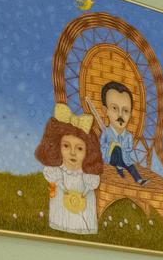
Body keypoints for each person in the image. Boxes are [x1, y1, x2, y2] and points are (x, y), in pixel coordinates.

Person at [35, 104, 102, 234]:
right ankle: (59, 223)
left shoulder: (87, 175)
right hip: (61, 211)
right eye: (66, 146)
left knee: (83, 215)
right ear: (57, 146)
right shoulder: (56, 172)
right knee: (61, 213)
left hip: (82, 213)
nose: (72, 153)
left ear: (88, 152)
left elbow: (91, 185)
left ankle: (83, 228)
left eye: (79, 148)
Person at [97, 80, 147, 184]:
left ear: (130, 114)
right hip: (110, 159)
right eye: (114, 108)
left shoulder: (128, 136)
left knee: (131, 167)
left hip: (125, 159)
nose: (120, 115)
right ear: (105, 110)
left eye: (125, 111)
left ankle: (139, 180)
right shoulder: (106, 133)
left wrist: (124, 150)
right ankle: (118, 168)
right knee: (115, 148)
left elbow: (129, 149)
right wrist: (111, 146)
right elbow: (101, 147)